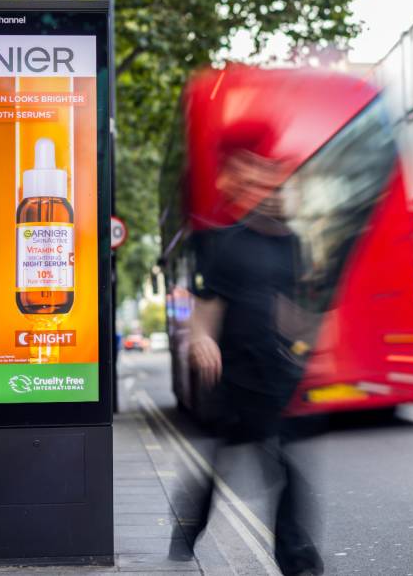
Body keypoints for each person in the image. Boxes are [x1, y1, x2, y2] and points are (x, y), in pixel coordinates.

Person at [171, 125, 323, 575]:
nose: (271, 189)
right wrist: (201, 338)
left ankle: (298, 562)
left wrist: (315, 334)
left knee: (287, 468)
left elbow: (290, 313)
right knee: (221, 464)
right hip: (235, 377)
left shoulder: (293, 245)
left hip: (275, 374)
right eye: (259, 178)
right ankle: (189, 524)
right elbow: (207, 308)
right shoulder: (227, 243)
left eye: (275, 178)